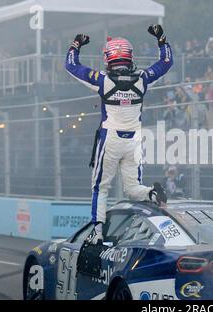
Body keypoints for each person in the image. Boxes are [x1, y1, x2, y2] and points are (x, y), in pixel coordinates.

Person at [65, 25, 172, 244]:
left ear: (108, 58)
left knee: (100, 188)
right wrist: (161, 39)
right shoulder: (143, 78)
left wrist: (76, 44)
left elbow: (71, 66)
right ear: (129, 56)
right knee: (133, 188)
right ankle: (152, 194)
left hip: (110, 139)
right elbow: (166, 62)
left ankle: (97, 231)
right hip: (134, 140)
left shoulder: (102, 80)